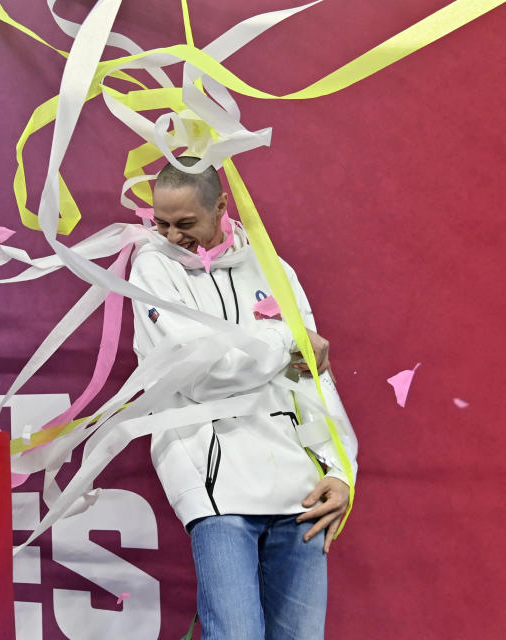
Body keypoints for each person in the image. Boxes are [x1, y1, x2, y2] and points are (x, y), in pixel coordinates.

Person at [128, 157, 357, 639]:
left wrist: (339, 469)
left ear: (220, 208)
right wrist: (283, 339)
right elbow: (201, 374)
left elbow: (313, 376)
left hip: (300, 489)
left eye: (185, 223)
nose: (171, 236)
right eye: (160, 222)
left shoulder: (274, 269)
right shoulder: (150, 268)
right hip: (217, 490)